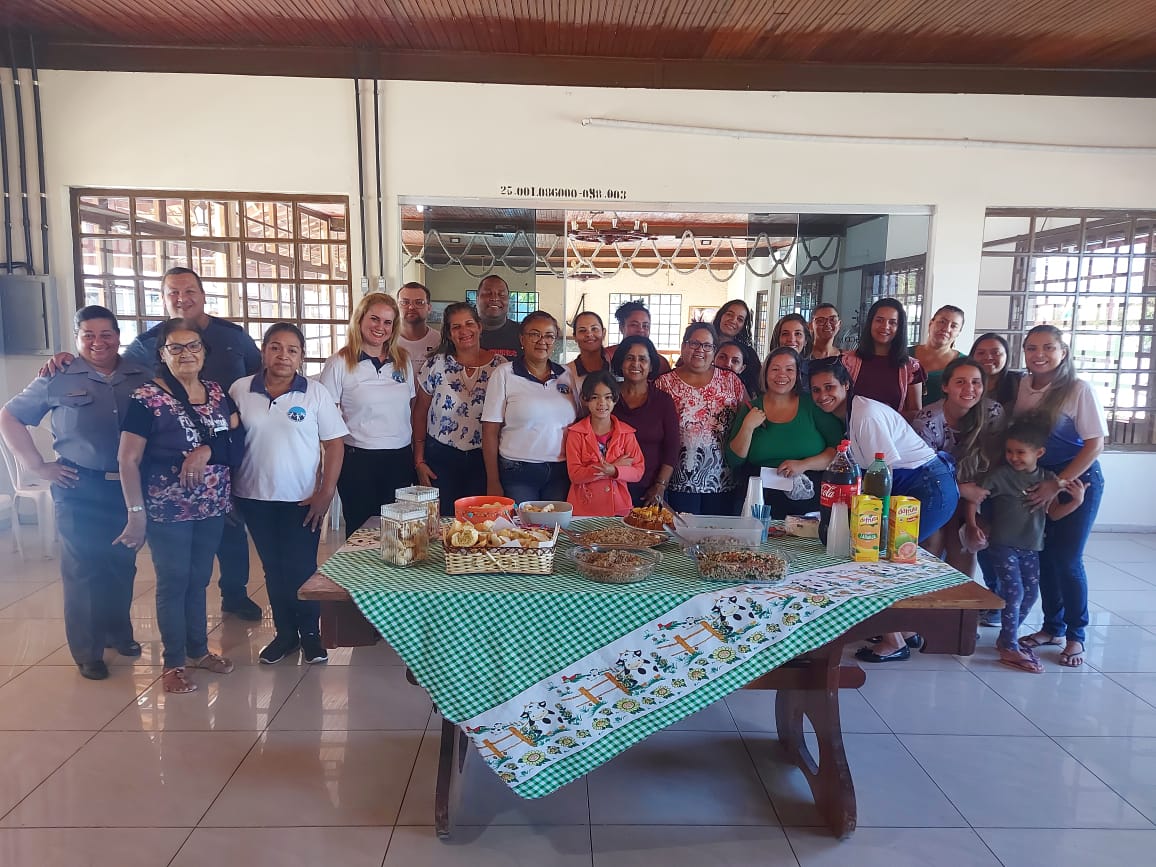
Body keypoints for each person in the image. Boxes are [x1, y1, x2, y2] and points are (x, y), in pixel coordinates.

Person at [40, 267, 263, 620]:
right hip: (167, 457)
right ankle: (180, 641)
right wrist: (70, 359)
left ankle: (234, 593)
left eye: (189, 291)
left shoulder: (233, 336)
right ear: (163, 299)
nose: (182, 298)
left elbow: (258, 375)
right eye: (173, 292)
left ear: (203, 295)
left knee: (230, 529)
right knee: (176, 567)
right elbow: (111, 367)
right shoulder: (148, 343)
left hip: (224, 449)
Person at [0, 306, 150, 681]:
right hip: (78, 486)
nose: (98, 342)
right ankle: (88, 650)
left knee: (121, 565)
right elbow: (9, 416)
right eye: (88, 335)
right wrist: (37, 466)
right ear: (77, 338)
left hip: (128, 486)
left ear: (119, 335)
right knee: (83, 569)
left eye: (106, 334)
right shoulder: (58, 375)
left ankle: (118, 633)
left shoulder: (141, 375)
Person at [115, 318, 238, 694]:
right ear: (162, 354)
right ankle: (172, 663)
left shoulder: (218, 394)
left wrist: (206, 450)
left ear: (205, 352)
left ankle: (199, 650)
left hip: (213, 505)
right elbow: (127, 460)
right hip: (168, 509)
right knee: (173, 582)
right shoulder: (146, 398)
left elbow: (235, 440)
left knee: (199, 579)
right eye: (176, 347)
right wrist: (135, 515)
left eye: (194, 346)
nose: (187, 354)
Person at [809, 359, 960, 663]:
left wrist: (871, 521)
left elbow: (883, 470)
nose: (823, 395)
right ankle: (905, 629)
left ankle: (894, 640)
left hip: (926, 489)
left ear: (846, 386)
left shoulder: (865, 415)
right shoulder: (850, 415)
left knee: (876, 556)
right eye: (816, 390)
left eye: (829, 387)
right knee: (886, 557)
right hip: (907, 489)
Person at [231, 323, 348, 666]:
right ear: (264, 351)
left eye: (292, 349)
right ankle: (285, 634)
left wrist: (326, 492)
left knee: (301, 568)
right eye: (276, 347)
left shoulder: (314, 393)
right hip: (253, 497)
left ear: (301, 356)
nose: (283, 355)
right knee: (273, 568)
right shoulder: (240, 390)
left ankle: (311, 634)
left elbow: (334, 443)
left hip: (301, 500)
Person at [1015, 324, 1107, 669]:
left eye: (1048, 347)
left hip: (1075, 483)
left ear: (1062, 352)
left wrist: (1060, 482)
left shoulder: (1077, 390)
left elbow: (1095, 444)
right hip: (1038, 480)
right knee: (1044, 556)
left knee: (1067, 559)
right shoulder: (1023, 386)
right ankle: (1052, 627)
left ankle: (1076, 635)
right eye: (1031, 348)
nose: (1039, 354)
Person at [964, 419, 1087, 673]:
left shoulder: (1048, 479)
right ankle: (1009, 645)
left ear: (1039, 453)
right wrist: (972, 522)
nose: (1014, 457)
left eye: (1021, 452)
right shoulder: (1000, 476)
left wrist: (1076, 502)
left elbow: (1053, 513)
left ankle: (1006, 638)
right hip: (1002, 545)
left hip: (1031, 547)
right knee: (1014, 592)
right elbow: (975, 498)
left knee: (1030, 594)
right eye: (1010, 451)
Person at [319, 292, 415, 536]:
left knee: (398, 533)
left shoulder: (403, 360)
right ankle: (359, 576)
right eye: (374, 319)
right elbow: (325, 420)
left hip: (400, 458)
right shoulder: (339, 363)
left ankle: (393, 577)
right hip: (358, 460)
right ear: (360, 319)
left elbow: (410, 406)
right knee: (361, 534)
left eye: (387, 322)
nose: (380, 327)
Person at [912, 357, 1004, 584]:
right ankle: (924, 599)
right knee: (933, 538)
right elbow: (923, 472)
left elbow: (997, 460)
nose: (969, 389)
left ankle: (958, 606)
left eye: (976, 382)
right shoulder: (928, 420)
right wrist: (960, 490)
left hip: (979, 488)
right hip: (936, 490)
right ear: (945, 386)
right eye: (960, 382)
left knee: (964, 542)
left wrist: (972, 499)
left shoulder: (992, 413)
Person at [727, 347, 843, 518]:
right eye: (775, 369)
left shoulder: (811, 405)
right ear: (765, 373)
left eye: (789, 369)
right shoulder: (751, 407)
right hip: (760, 498)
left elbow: (838, 450)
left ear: (797, 375)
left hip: (808, 496)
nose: (782, 375)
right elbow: (734, 459)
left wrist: (804, 464)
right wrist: (748, 426)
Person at [413, 302, 507, 513]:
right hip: (440, 456)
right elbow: (419, 413)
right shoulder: (435, 364)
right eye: (456, 327)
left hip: (484, 459)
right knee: (443, 524)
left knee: (481, 523)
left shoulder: (500, 366)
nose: (464, 331)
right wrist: (419, 459)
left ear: (479, 327)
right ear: (448, 333)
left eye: (469, 324)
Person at [482, 312, 576, 502]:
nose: (542, 341)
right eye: (535, 334)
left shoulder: (566, 374)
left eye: (549, 335)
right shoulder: (504, 374)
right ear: (522, 339)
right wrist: (493, 480)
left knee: (554, 529)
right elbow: (489, 431)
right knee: (520, 530)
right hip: (518, 472)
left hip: (561, 472)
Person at [654, 323, 746, 514]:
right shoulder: (664, 383)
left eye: (707, 345)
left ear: (714, 351)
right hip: (678, 481)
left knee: (718, 539)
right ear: (683, 346)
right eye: (694, 343)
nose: (700, 350)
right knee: (681, 539)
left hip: (723, 480)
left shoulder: (731, 381)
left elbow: (748, 419)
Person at [565, 371, 645, 517]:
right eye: (595, 397)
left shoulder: (626, 434)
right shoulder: (576, 433)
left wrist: (614, 470)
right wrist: (612, 466)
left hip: (619, 509)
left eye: (608, 397)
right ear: (585, 399)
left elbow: (638, 471)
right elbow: (575, 475)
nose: (602, 403)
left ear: (615, 399)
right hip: (584, 510)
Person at [610, 336, 678, 506]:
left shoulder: (663, 401)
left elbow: (672, 447)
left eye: (642, 359)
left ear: (651, 365)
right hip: (610, 487)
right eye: (630, 358)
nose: (636, 364)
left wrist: (660, 485)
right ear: (620, 362)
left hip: (650, 491)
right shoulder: (607, 397)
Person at [841, 297, 925, 418]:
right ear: (870, 322)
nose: (885, 326)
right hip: (851, 433)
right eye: (879, 320)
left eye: (892, 322)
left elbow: (916, 412)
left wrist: (881, 420)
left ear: (899, 327)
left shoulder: (911, 368)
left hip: (893, 434)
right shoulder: (847, 361)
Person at [911, 305, 966, 404]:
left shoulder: (964, 364)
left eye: (953, 326)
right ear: (930, 323)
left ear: (959, 332)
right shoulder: (904, 354)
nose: (946, 329)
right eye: (942, 322)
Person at [565, 311, 613, 412]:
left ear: (603, 333)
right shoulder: (566, 373)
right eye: (582, 331)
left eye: (594, 329)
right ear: (575, 337)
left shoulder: (615, 367)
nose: (589, 334)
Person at [607, 300, 671, 375]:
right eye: (634, 325)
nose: (640, 330)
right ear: (621, 327)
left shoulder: (661, 362)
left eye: (645, 326)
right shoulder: (608, 356)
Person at [712, 300, 761, 397]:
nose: (733, 320)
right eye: (730, 314)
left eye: (740, 319)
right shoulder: (703, 346)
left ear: (743, 326)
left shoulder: (749, 354)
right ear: (721, 316)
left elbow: (756, 388)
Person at [970, 332, 1023, 410]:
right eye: (981, 353)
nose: (988, 357)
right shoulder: (964, 382)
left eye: (996, 353)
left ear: (1007, 356)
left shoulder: (1019, 383)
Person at [395, 281, 441, 368]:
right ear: (397, 307)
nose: (411, 307)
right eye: (405, 302)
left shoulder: (440, 342)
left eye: (419, 302)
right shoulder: (387, 342)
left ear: (429, 308)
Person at [476, 275, 522, 358]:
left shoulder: (522, 335)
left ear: (508, 300)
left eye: (501, 294)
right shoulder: (465, 334)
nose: (495, 298)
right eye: (488, 293)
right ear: (477, 299)